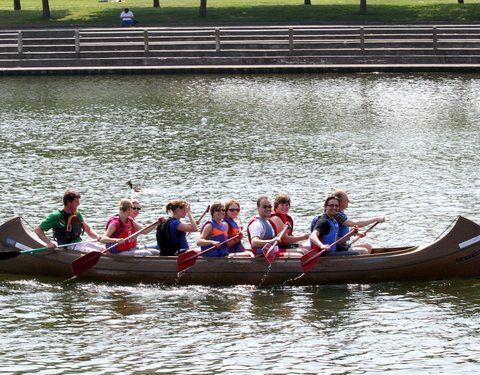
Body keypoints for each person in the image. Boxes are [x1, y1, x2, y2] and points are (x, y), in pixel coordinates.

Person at [34, 190, 103, 251]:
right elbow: (38, 229)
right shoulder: (56, 216)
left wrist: (98, 237)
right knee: (94, 252)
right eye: (76, 202)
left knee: (103, 249)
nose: (79, 204)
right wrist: (48, 243)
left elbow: (88, 229)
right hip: (67, 246)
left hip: (79, 243)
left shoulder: (76, 213)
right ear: (68, 202)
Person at [333, 190, 385, 254]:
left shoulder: (342, 213)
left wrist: (356, 233)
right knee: (364, 251)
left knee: (368, 246)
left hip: (344, 245)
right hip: (338, 247)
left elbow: (344, 230)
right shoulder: (336, 214)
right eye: (346, 200)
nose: (349, 201)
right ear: (339, 202)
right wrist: (376, 219)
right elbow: (354, 224)